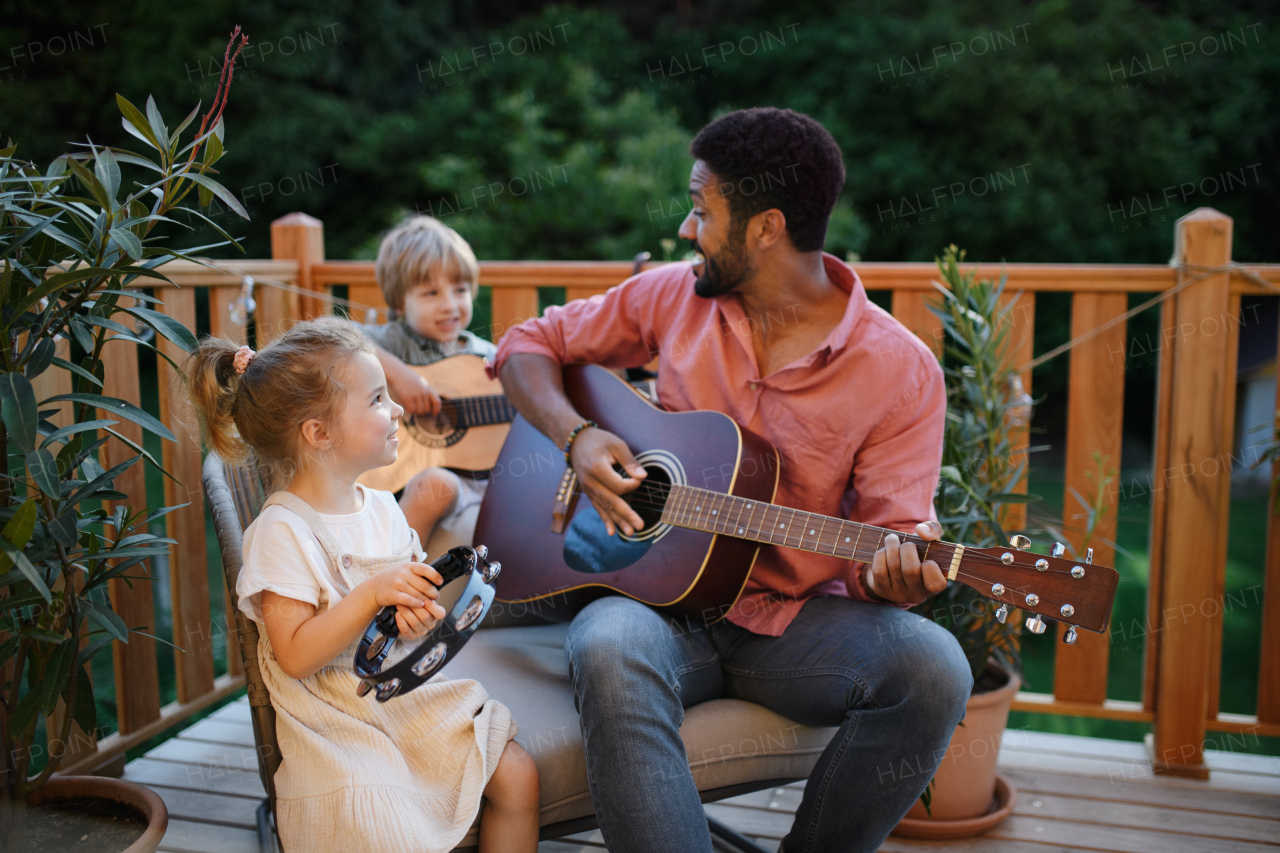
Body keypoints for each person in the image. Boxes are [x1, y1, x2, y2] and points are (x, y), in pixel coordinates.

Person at [492, 107, 971, 853]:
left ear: (765, 227)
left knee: (935, 666)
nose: (687, 229)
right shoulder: (673, 297)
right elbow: (528, 344)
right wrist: (578, 437)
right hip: (661, 608)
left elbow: (887, 541)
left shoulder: (900, 371)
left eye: (700, 207)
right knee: (607, 641)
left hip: (795, 627)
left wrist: (896, 577)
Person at [187, 321, 538, 853]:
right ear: (319, 434)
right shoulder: (282, 531)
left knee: (518, 775)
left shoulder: (380, 509)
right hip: (336, 715)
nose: (398, 409)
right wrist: (372, 594)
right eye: (377, 399)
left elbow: (398, 615)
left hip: (400, 690)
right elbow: (295, 656)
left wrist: (412, 612)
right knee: (380, 822)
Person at [361, 215, 498, 547]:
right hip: (395, 479)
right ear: (399, 300)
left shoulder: (486, 358)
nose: (449, 305)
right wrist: (398, 373)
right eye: (431, 293)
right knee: (432, 484)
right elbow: (333, 336)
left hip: (477, 485)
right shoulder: (394, 340)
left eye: (460, 289)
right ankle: (392, 582)